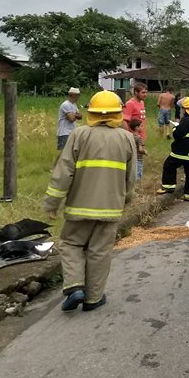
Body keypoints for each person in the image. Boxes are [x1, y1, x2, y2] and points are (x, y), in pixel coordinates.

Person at [43, 91, 138, 312]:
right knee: (100, 250)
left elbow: (63, 171)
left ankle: (75, 286)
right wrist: (127, 198)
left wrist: (51, 203)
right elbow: (131, 176)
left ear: (91, 113)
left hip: (79, 207)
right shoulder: (126, 138)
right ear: (117, 113)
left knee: (70, 243)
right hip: (111, 208)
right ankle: (93, 298)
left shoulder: (79, 135)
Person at [156, 96, 189, 201]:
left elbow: (177, 135)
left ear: (187, 109)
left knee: (169, 166)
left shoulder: (187, 120)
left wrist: (176, 127)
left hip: (181, 153)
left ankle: (168, 186)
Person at [54, 87, 81, 165]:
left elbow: (80, 116)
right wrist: (74, 115)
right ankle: (56, 166)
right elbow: (71, 119)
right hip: (64, 132)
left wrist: (73, 115)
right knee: (63, 151)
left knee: (71, 151)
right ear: (72, 95)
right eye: (77, 95)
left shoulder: (74, 105)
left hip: (71, 131)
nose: (78, 97)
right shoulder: (66, 105)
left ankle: (65, 165)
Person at [122, 81, 148, 148]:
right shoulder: (130, 104)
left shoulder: (142, 102)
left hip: (141, 136)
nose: (145, 94)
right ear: (136, 92)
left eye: (146, 92)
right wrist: (130, 135)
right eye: (143, 92)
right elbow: (124, 121)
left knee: (140, 157)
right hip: (133, 137)